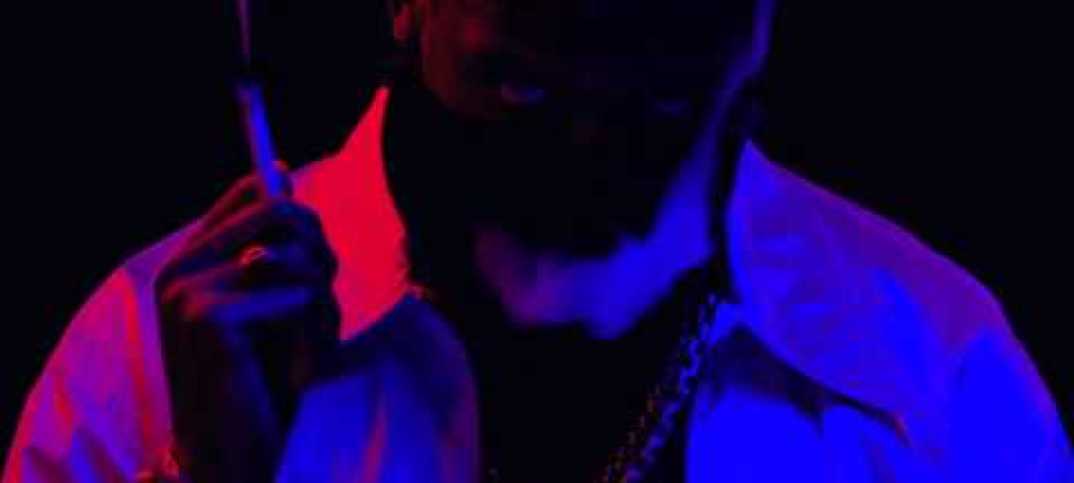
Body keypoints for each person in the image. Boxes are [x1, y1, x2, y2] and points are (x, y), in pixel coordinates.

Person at [4, 0, 1071, 481]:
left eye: (653, 85)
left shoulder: (947, 378)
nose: (590, 137)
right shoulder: (144, 360)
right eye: (523, 79)